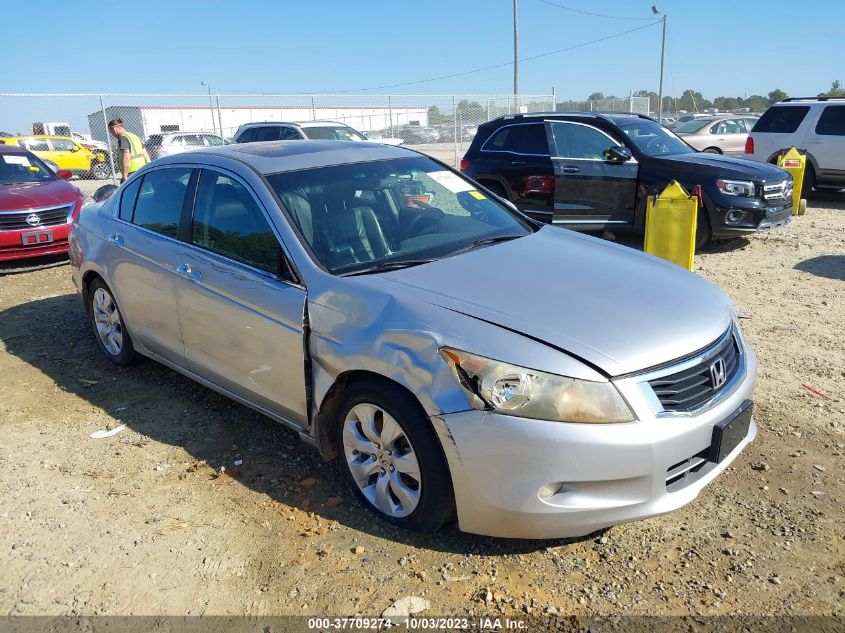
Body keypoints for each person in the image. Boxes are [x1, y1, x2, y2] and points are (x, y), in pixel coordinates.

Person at [107, 118, 149, 183]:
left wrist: (124, 176)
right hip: (142, 170)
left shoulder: (123, 138)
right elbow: (145, 153)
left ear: (114, 129)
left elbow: (126, 156)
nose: (112, 134)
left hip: (131, 173)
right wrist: (148, 167)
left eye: (111, 132)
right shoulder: (135, 136)